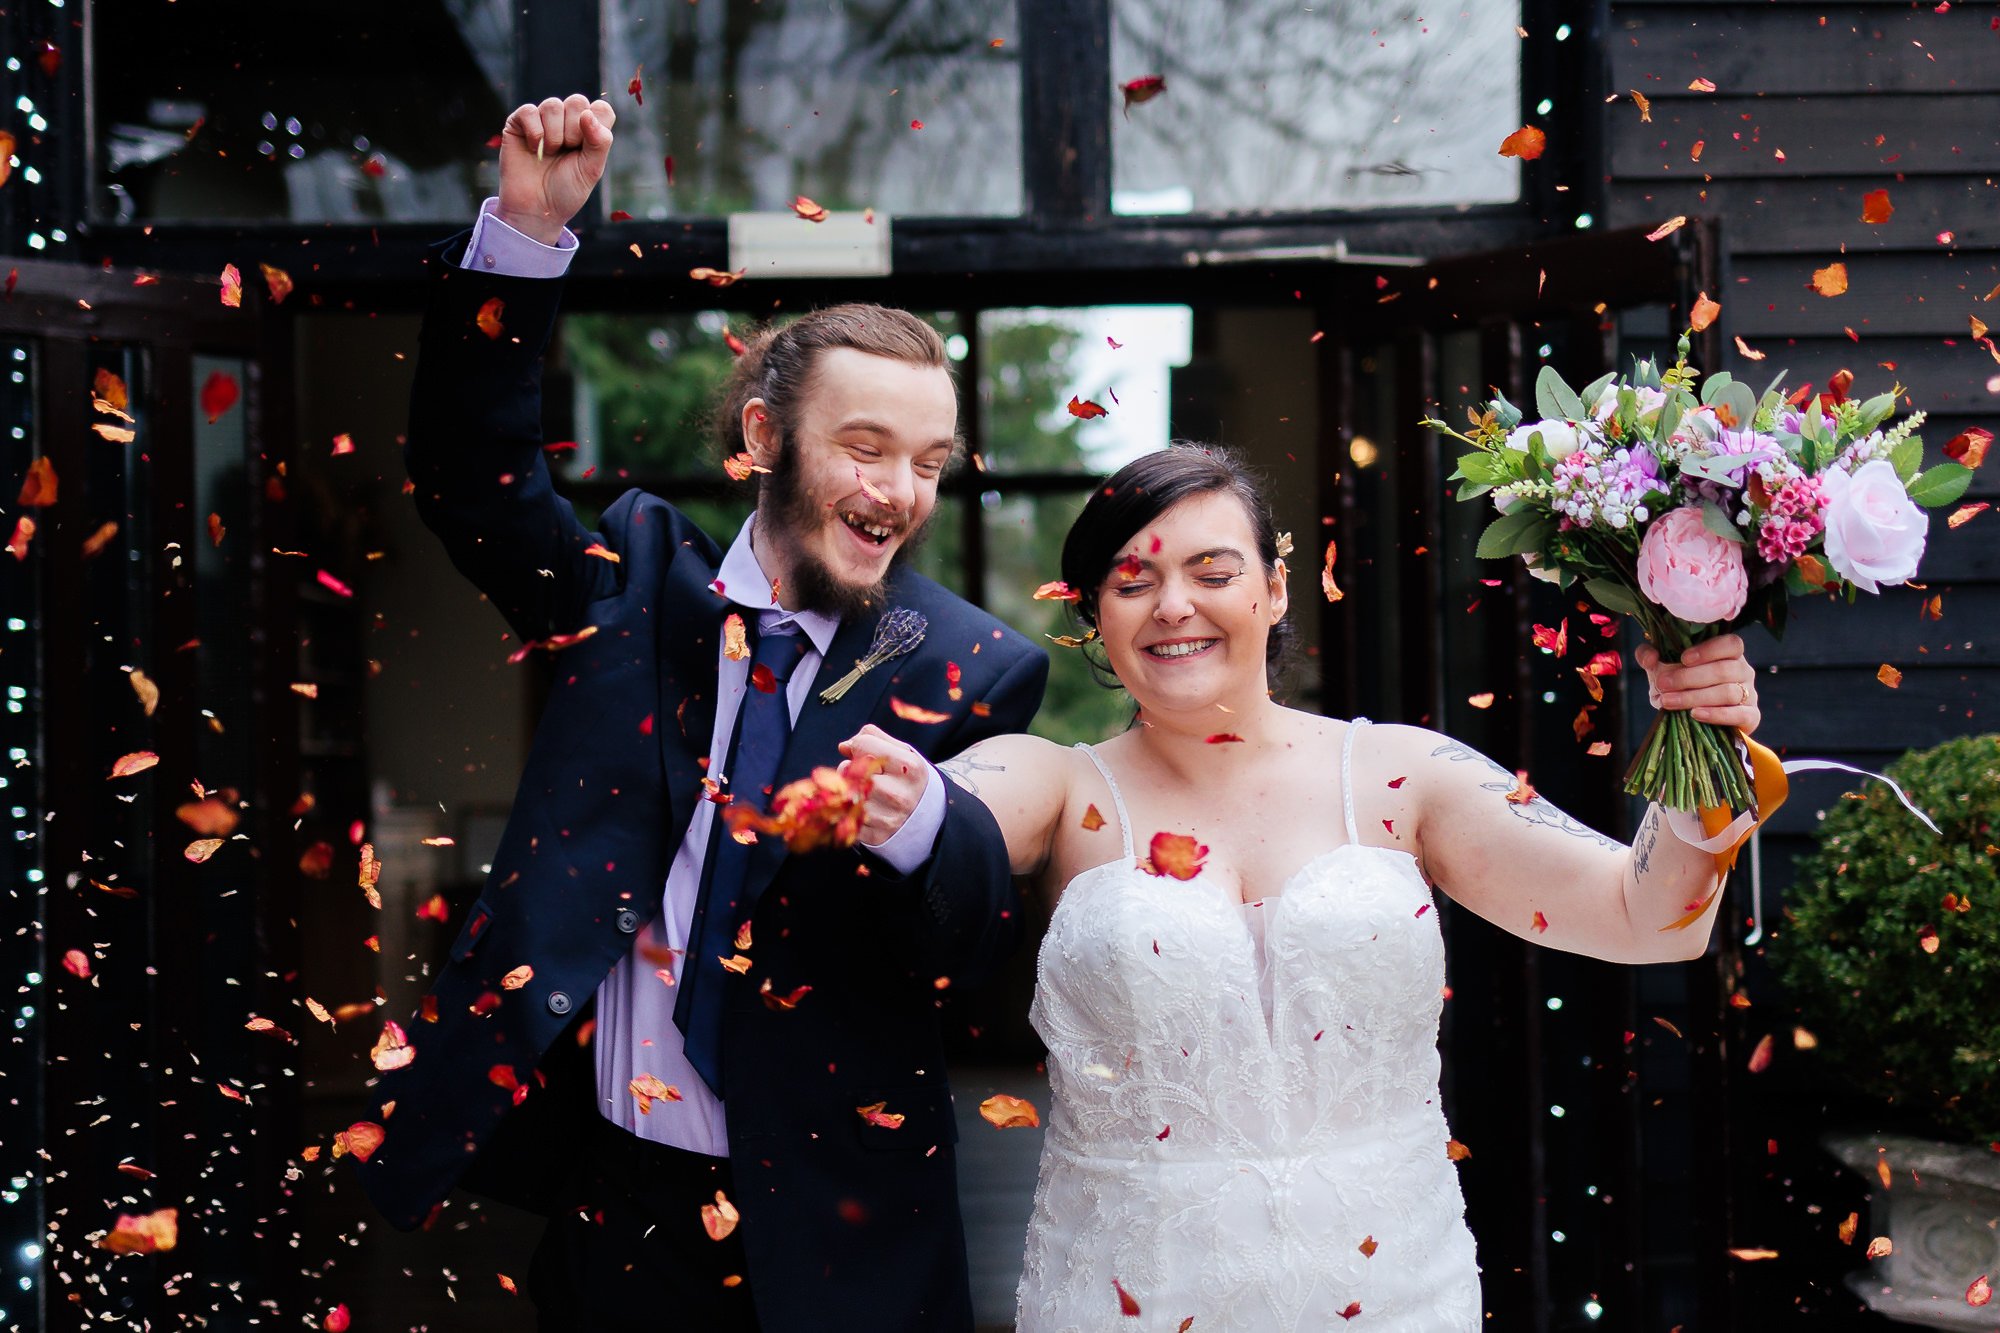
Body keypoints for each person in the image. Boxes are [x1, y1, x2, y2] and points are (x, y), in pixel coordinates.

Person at [353, 94, 1048, 1333]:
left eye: (930, 462)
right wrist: (522, 232)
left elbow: (973, 936)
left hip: (845, 1212)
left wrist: (918, 827)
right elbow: (470, 481)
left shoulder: (972, 662)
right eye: (866, 447)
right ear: (763, 438)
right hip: (617, 1194)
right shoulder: (627, 585)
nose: (899, 491)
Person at [907, 445, 1762, 1330]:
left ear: (1275, 589)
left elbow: (1652, 916)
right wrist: (900, 796)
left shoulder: (1402, 771)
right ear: (1092, 613)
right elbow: (946, 809)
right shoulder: (1058, 784)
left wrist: (1707, 734)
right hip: (1134, 1298)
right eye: (1132, 581)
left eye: (1212, 571)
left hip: (1394, 1291)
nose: (1173, 606)